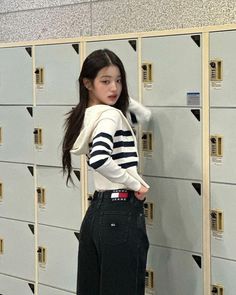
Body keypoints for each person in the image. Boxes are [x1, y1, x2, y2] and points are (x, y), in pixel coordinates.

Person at [62, 49, 151, 295]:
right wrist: (137, 185)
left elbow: (145, 115)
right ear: (87, 83)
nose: (114, 88)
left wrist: (121, 100)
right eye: (105, 81)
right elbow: (101, 158)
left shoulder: (87, 114)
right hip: (120, 213)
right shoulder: (110, 116)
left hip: (97, 214)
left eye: (119, 80)